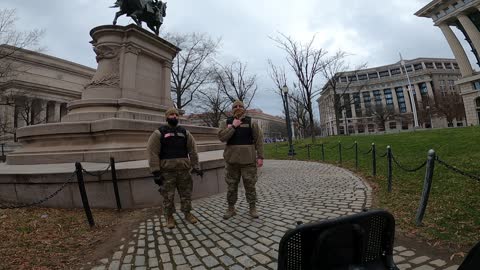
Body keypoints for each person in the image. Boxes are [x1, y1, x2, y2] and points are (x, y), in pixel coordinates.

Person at [147, 107, 202, 229]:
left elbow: (192, 150)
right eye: (171, 115)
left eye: (176, 115)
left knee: (186, 194)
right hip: (167, 172)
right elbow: (152, 153)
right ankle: (169, 216)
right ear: (166, 117)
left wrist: (196, 166)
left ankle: (187, 213)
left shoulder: (185, 132)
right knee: (168, 196)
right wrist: (155, 172)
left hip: (184, 171)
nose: (174, 117)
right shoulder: (158, 133)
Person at [218, 100, 264, 219]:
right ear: (232, 109)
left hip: (248, 161)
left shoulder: (251, 122)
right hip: (231, 161)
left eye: (240, 106)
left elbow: (259, 140)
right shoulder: (225, 122)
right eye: (235, 106)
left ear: (244, 108)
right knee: (231, 186)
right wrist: (233, 126)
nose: (238, 108)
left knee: (250, 185)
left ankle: (252, 207)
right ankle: (231, 208)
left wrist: (260, 157)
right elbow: (222, 137)